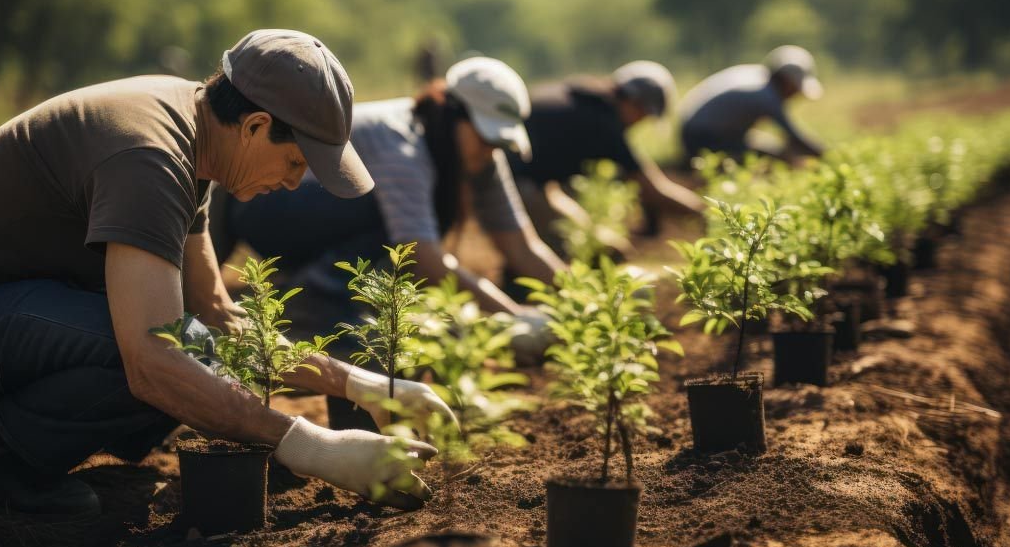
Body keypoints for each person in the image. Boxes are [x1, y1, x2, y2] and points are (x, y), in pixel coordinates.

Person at [0, 30, 452, 517]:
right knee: (162, 352)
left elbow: (220, 316)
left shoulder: (194, 135)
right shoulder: (149, 156)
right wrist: (314, 447)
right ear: (254, 126)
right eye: (296, 162)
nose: (290, 181)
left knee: (200, 348)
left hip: (15, 313)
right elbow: (153, 360)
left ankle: (15, 439)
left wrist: (357, 383)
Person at [208, 57, 565, 430]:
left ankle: (332, 299)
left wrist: (581, 302)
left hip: (312, 216)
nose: (489, 151)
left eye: (498, 142)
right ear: (455, 115)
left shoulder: (478, 158)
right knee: (375, 208)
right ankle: (318, 307)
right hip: (271, 204)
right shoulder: (403, 144)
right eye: (485, 138)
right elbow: (420, 255)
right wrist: (509, 318)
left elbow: (522, 244)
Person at [509, 61, 704, 241]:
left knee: (591, 234)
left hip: (529, 179)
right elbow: (653, 189)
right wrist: (707, 214)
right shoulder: (605, 124)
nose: (640, 123)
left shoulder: (581, 96)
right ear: (633, 103)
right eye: (643, 115)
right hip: (516, 183)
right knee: (578, 242)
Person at [680, 45, 825, 163]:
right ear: (785, 80)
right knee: (771, 156)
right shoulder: (766, 95)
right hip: (700, 137)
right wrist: (827, 155)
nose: (795, 95)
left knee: (770, 147)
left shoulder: (759, 79)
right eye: (794, 88)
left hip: (696, 130)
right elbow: (793, 135)